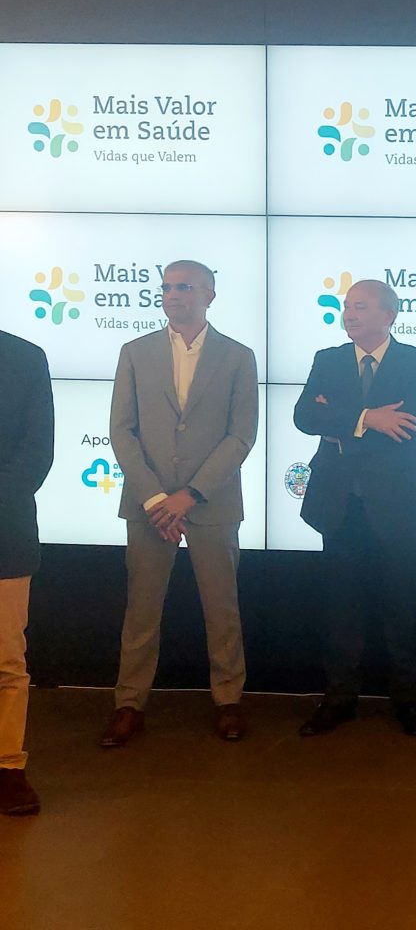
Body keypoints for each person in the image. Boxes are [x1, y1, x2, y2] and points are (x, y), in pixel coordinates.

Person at [101, 260, 259, 747]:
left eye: (184, 286)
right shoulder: (134, 351)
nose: (172, 294)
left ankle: (228, 700)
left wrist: (189, 495)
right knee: (141, 610)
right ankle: (129, 704)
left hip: (211, 503)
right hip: (148, 506)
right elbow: (121, 430)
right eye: (166, 286)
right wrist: (155, 498)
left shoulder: (238, 356)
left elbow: (241, 435)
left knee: (222, 609)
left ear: (209, 295)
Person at [294, 279, 416, 738]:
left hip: (400, 504)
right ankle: (339, 699)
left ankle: (408, 699)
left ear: (388, 315)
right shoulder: (328, 359)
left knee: (405, 607)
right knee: (341, 608)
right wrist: (367, 418)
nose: (349, 314)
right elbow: (305, 417)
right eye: (347, 306)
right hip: (340, 502)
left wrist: (340, 423)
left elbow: (407, 426)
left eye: (360, 306)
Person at [0, 330, 54, 815]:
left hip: (6, 532)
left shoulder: (24, 357)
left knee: (6, 662)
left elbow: (37, 452)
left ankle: (8, 767)